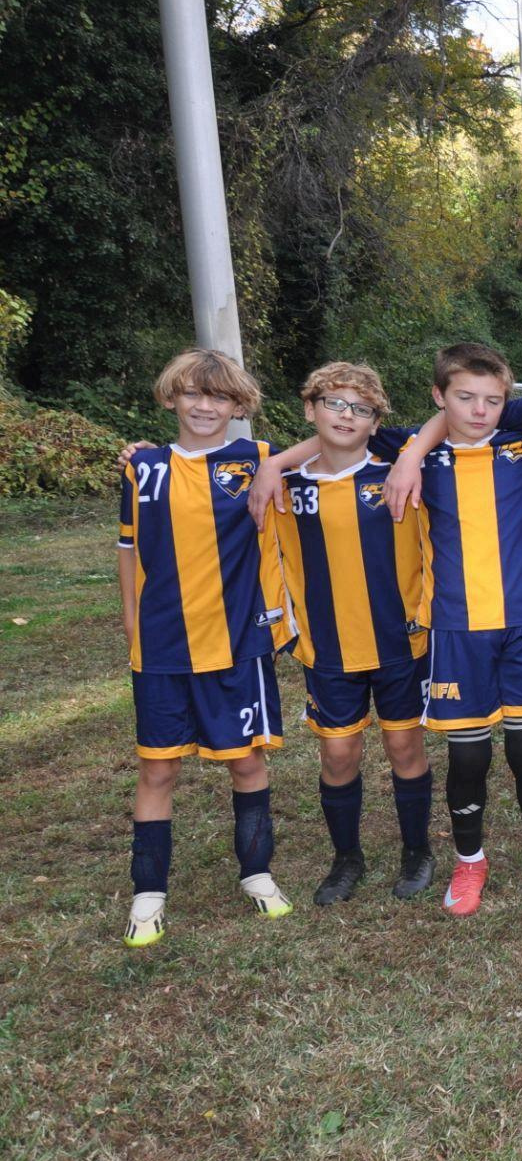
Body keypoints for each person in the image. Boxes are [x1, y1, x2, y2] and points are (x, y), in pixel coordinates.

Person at [378, 345, 522, 914]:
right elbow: (336, 437)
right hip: (456, 628)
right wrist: (412, 453)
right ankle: (470, 862)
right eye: (464, 398)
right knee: (468, 759)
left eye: (492, 400)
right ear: (438, 397)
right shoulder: (411, 448)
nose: (479, 410)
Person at [117, 350, 293, 946]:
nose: (204, 406)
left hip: (237, 643)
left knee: (246, 762)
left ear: (237, 405)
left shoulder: (258, 459)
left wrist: (277, 463)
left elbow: (333, 444)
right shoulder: (143, 467)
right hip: (162, 648)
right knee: (157, 767)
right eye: (192, 393)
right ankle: (148, 892)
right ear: (171, 398)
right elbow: (128, 552)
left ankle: (258, 874)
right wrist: (133, 629)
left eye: (218, 396)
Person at [271, 363, 435, 905]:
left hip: (400, 641)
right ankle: (347, 858)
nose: (346, 415)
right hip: (328, 647)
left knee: (404, 745)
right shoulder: (285, 486)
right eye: (334, 403)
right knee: (338, 756)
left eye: (361, 409)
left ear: (375, 423)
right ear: (309, 409)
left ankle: (417, 850)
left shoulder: (402, 473)